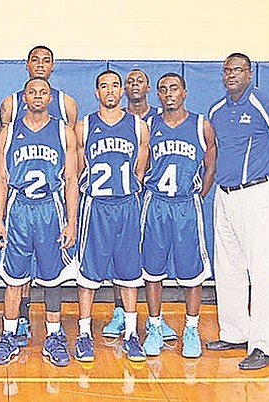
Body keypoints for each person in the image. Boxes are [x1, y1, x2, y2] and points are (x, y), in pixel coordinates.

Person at [206, 53, 269, 370]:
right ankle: (234, 332)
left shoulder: (265, 103)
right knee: (228, 268)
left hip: (257, 194)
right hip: (225, 196)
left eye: (238, 70)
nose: (231, 74)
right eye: (226, 69)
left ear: (249, 73)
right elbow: (213, 155)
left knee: (260, 273)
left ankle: (264, 345)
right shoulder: (216, 110)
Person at [0, 77, 78, 367]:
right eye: (32, 92)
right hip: (19, 209)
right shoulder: (9, 131)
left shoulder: (64, 131)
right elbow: (1, 178)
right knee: (14, 279)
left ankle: (53, 336)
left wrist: (71, 222)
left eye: (43, 93)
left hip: (50, 210)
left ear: (51, 97)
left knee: (52, 278)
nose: (38, 97)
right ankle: (8, 335)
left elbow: (70, 179)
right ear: (24, 97)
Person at [74, 70, 149, 363]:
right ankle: (83, 333)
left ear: (121, 92)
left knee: (130, 273)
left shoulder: (138, 126)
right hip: (96, 207)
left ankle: (131, 333)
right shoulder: (84, 126)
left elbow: (140, 168)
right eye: (103, 86)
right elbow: (78, 170)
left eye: (115, 86)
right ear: (96, 93)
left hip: (127, 206)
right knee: (89, 274)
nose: (110, 91)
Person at [140, 72, 216, 358]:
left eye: (174, 88)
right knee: (152, 269)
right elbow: (140, 165)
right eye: (163, 89)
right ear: (157, 96)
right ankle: (155, 326)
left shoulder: (201, 125)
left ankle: (191, 329)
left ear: (184, 92)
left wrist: (198, 194)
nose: (168, 93)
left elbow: (210, 166)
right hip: (156, 204)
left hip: (186, 205)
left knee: (191, 272)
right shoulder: (149, 124)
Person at [103, 69, 174, 341]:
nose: (134, 86)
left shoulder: (158, 118)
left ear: (148, 88)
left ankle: (156, 318)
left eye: (139, 81)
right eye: (129, 81)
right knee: (120, 256)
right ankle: (119, 311)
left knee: (154, 258)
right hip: (125, 197)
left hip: (155, 198)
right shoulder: (115, 119)